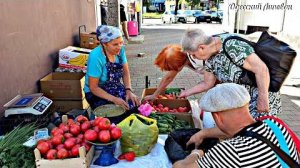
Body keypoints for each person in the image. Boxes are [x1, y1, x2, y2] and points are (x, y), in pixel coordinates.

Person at [173, 83, 299, 168]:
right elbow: (237, 130)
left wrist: (196, 153)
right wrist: (203, 133)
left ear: (217, 117)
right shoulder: (275, 125)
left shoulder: (231, 151)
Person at [179, 28, 281, 118]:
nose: (193, 58)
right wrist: (186, 93)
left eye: (193, 55)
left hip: (259, 99)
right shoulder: (209, 56)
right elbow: (207, 83)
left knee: (258, 134)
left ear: (201, 47)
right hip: (242, 102)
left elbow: (262, 69)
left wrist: (263, 99)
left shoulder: (232, 45)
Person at [83, 25, 140, 110]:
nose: (119, 46)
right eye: (115, 44)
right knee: (115, 113)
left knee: (134, 106)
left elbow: (125, 72)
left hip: (114, 87)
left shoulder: (120, 50)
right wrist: (114, 99)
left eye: (121, 42)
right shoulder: (96, 56)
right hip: (96, 92)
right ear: (104, 44)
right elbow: (93, 88)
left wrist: (128, 90)